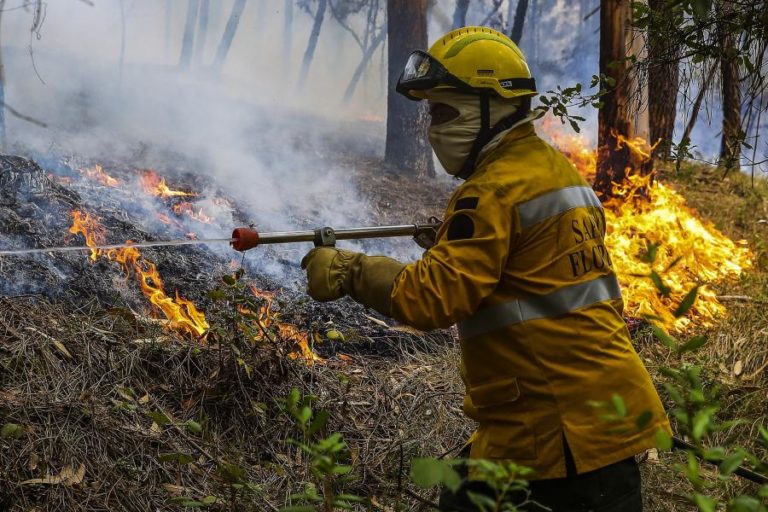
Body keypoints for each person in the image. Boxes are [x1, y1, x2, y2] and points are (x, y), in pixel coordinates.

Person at [300, 26, 670, 511]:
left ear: (491, 107)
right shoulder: (554, 171)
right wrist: (459, 240)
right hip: (597, 419)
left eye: (444, 111)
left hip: (561, 439)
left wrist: (349, 270)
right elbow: (535, 266)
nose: (434, 128)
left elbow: (429, 298)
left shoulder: (491, 189)